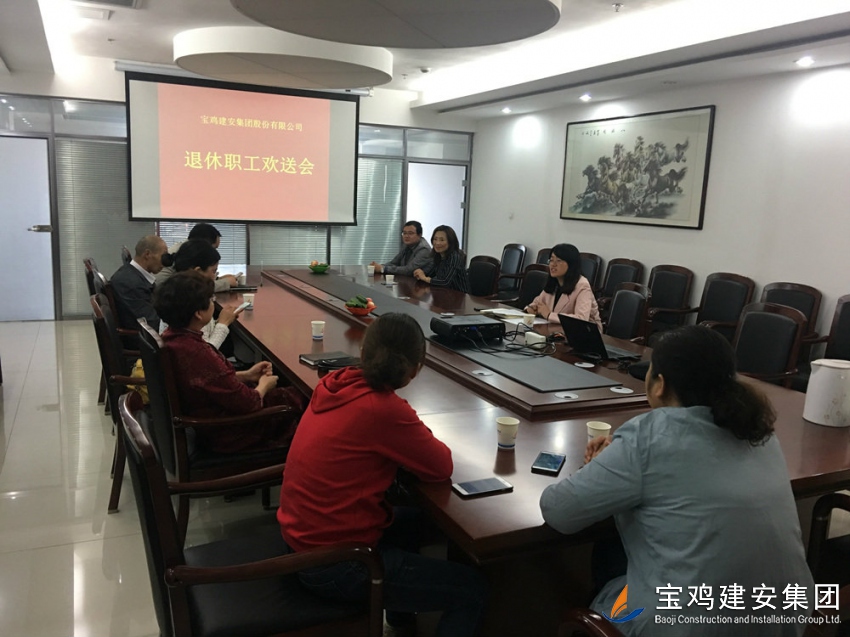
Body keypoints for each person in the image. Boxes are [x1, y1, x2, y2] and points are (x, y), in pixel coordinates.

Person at [540, 326, 814, 636]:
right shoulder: (760, 431)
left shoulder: (647, 437)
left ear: (659, 385)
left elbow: (558, 511)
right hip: (787, 622)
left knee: (609, 554)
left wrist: (596, 468)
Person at [277, 313, 487, 637]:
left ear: (362, 352)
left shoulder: (334, 384)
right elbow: (441, 467)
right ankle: (401, 608)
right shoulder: (383, 409)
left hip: (301, 542)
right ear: (415, 369)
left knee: (416, 522)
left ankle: (402, 621)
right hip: (338, 565)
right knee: (472, 590)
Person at [153, 270, 305, 453]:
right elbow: (249, 403)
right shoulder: (197, 352)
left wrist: (246, 375)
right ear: (198, 314)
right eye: (210, 300)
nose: (213, 303)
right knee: (302, 396)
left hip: (208, 417)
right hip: (227, 433)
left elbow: (204, 381)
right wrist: (264, 385)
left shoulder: (173, 337)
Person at [162, 239, 240, 350]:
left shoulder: (176, 291)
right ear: (198, 271)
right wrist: (223, 324)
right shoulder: (189, 302)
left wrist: (220, 320)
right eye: (214, 271)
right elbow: (206, 351)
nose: (215, 277)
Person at [525, 243, 602, 329]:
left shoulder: (582, 285)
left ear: (571, 264)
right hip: (557, 329)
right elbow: (537, 302)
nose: (553, 264)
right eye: (551, 260)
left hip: (586, 333)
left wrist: (549, 315)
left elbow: (581, 319)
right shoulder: (554, 281)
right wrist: (531, 308)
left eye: (558, 261)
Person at [155, 222, 238, 291]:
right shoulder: (186, 253)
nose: (213, 252)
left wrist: (216, 279)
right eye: (213, 248)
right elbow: (193, 288)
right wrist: (225, 283)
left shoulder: (186, 249)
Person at [111, 234, 168, 331]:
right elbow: (151, 324)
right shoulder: (131, 283)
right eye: (163, 257)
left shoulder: (133, 275)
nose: (165, 263)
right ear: (147, 254)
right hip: (142, 338)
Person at [412, 225, 470, 293]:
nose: (437, 243)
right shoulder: (438, 255)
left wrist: (425, 278)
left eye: (442, 240)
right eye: (435, 239)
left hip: (459, 295)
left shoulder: (454, 257)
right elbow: (431, 274)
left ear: (450, 242)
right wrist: (421, 273)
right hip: (443, 293)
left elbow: (445, 282)